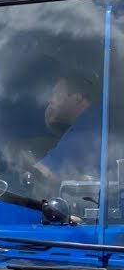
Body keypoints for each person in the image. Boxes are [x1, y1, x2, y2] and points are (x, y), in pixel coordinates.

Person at [30, 60, 103, 188]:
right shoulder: (99, 117)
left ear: (77, 97)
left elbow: (39, 174)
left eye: (56, 93)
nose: (50, 100)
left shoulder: (84, 130)